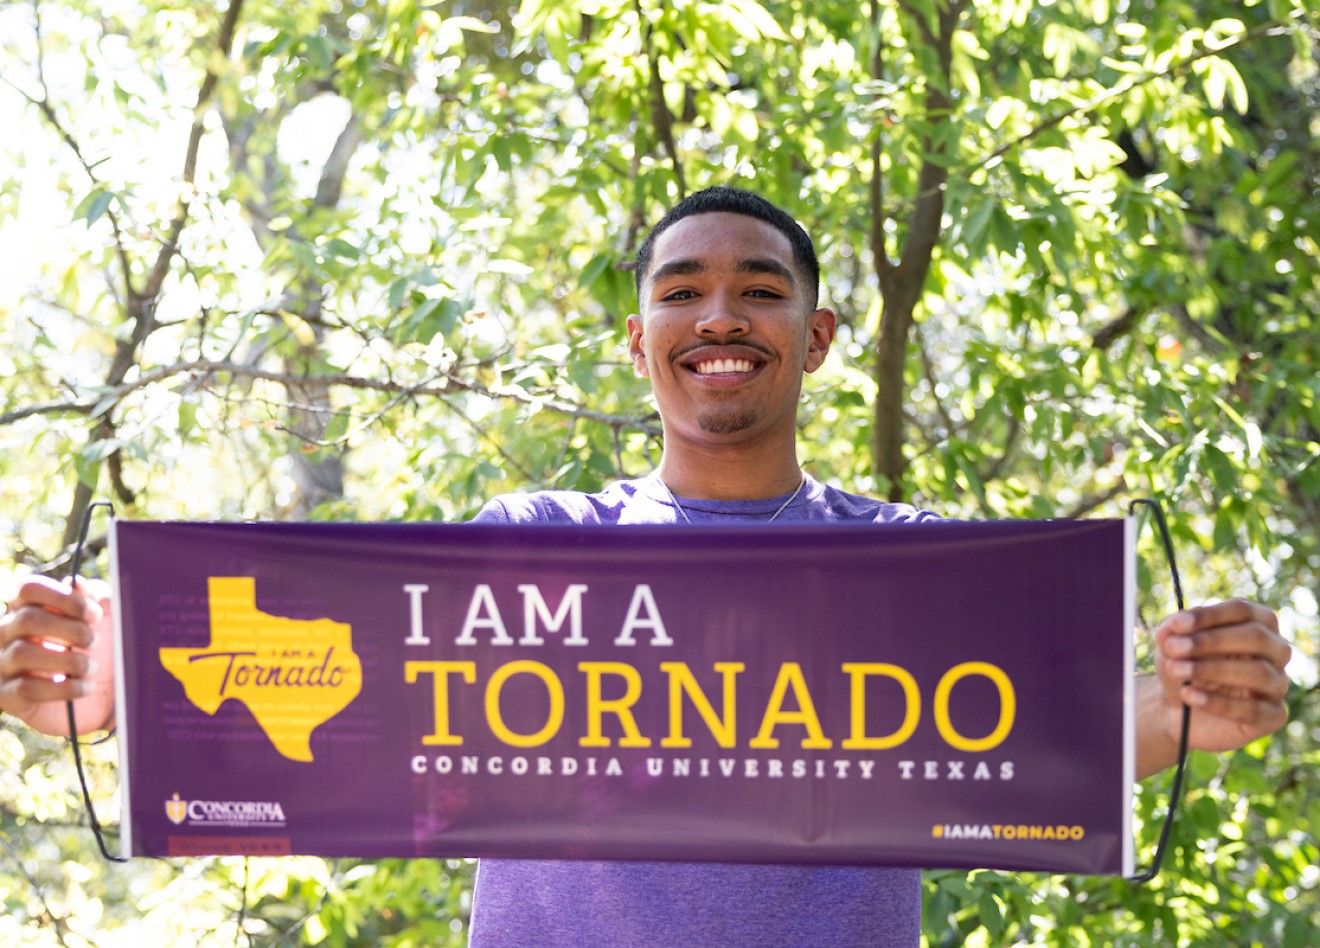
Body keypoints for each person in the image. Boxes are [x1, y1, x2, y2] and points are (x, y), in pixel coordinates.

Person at [0, 187, 1293, 944]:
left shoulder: (922, 569)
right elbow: (330, 709)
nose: (719, 315)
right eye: (682, 292)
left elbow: (1045, 738)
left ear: (819, 333)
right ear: (640, 341)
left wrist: (1187, 711)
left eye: (758, 290)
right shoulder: (525, 544)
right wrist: (115, 692)